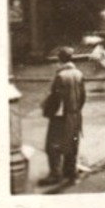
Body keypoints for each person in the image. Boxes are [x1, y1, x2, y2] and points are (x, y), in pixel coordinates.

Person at [40, 46, 87, 186]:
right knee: (72, 143)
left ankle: (55, 174)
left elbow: (56, 99)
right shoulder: (79, 73)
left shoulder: (60, 76)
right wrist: (76, 109)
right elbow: (83, 97)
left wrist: (47, 111)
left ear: (59, 60)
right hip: (75, 114)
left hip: (61, 116)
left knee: (53, 145)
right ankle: (69, 170)